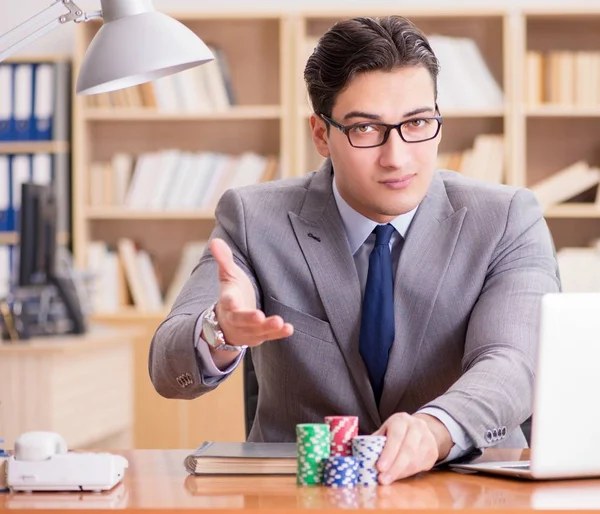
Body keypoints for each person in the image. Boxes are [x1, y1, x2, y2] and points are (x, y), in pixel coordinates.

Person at [149, 15, 560, 483]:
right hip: (300, 495)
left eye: (418, 123)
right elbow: (167, 368)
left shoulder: (507, 219)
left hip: (465, 489)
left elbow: (513, 362)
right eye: (366, 129)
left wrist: (434, 429)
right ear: (322, 134)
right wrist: (218, 332)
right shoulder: (253, 218)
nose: (397, 156)